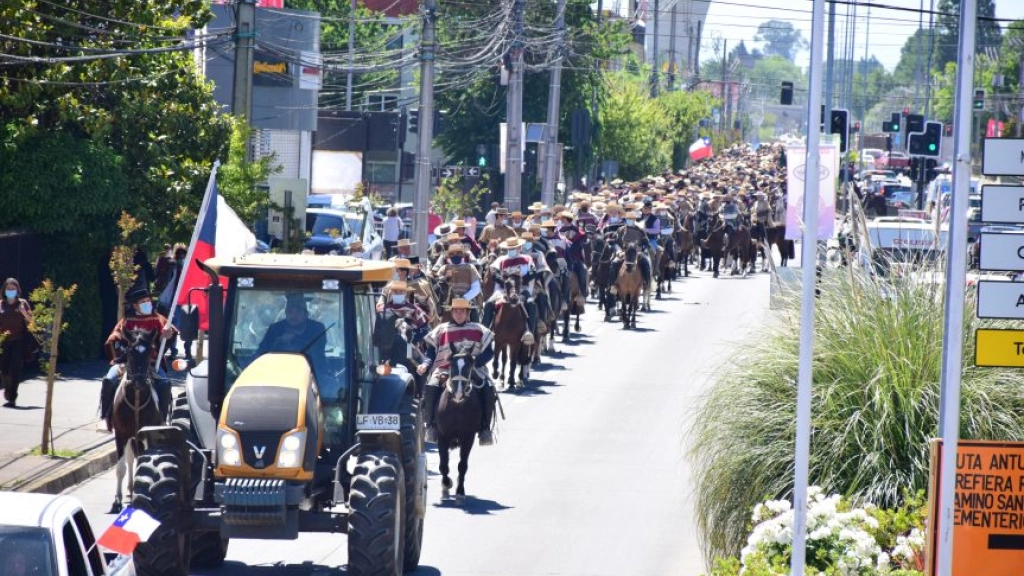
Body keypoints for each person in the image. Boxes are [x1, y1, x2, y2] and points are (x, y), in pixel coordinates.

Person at [417, 298, 496, 445]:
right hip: (445, 368)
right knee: (431, 386)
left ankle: (485, 429)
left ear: (468, 313)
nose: (459, 314)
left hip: (473, 368)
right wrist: (426, 364)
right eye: (456, 311)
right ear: (452, 312)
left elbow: (489, 352)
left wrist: (474, 361)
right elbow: (430, 352)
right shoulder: (441, 329)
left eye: (462, 312)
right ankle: (431, 426)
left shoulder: (479, 329)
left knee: (488, 388)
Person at [100, 286, 176, 428]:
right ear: (135, 305)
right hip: (127, 363)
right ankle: (105, 418)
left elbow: (168, 339)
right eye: (143, 302)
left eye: (148, 300)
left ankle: (162, 419)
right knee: (109, 380)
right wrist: (121, 358)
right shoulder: (126, 321)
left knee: (164, 383)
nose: (148, 303)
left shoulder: (159, 319)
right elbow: (113, 340)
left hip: (152, 363)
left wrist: (167, 336)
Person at [256, 294, 333, 399]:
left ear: (305, 314)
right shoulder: (275, 329)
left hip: (312, 375)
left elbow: (317, 353)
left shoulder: (317, 329)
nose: (293, 315)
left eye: (298, 311)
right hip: (277, 375)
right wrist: (279, 342)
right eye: (290, 311)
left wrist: (294, 339)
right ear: (286, 313)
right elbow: (261, 353)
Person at [482, 237, 536, 342]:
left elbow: (533, 272)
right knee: (488, 304)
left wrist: (519, 280)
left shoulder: (527, 259)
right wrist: (505, 282)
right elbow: (494, 273)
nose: (511, 250)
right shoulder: (500, 260)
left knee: (531, 303)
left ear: (519, 248)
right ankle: (485, 332)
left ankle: (529, 331)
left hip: (522, 289)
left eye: (514, 248)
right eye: (509, 248)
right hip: (502, 291)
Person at [0, 278, 32, 408]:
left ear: (18, 290)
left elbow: (32, 321)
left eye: (13, 288)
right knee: (4, 370)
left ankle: (12, 397)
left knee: (15, 369)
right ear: (4, 290)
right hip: (3, 341)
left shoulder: (23, 303)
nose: (11, 291)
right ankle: (8, 391)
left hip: (18, 341)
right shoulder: (1, 304)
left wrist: (23, 312)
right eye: (9, 288)